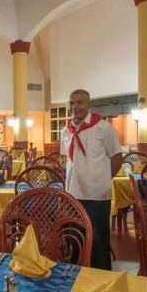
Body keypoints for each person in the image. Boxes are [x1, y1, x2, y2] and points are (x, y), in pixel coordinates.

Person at [60, 89, 122, 270]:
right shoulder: (66, 131)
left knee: (98, 241)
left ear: (89, 105)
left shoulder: (103, 128)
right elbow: (68, 159)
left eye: (80, 102)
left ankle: (101, 278)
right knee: (76, 239)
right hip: (73, 194)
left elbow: (117, 157)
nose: (75, 106)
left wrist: (102, 179)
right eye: (72, 103)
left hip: (97, 195)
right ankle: (76, 275)